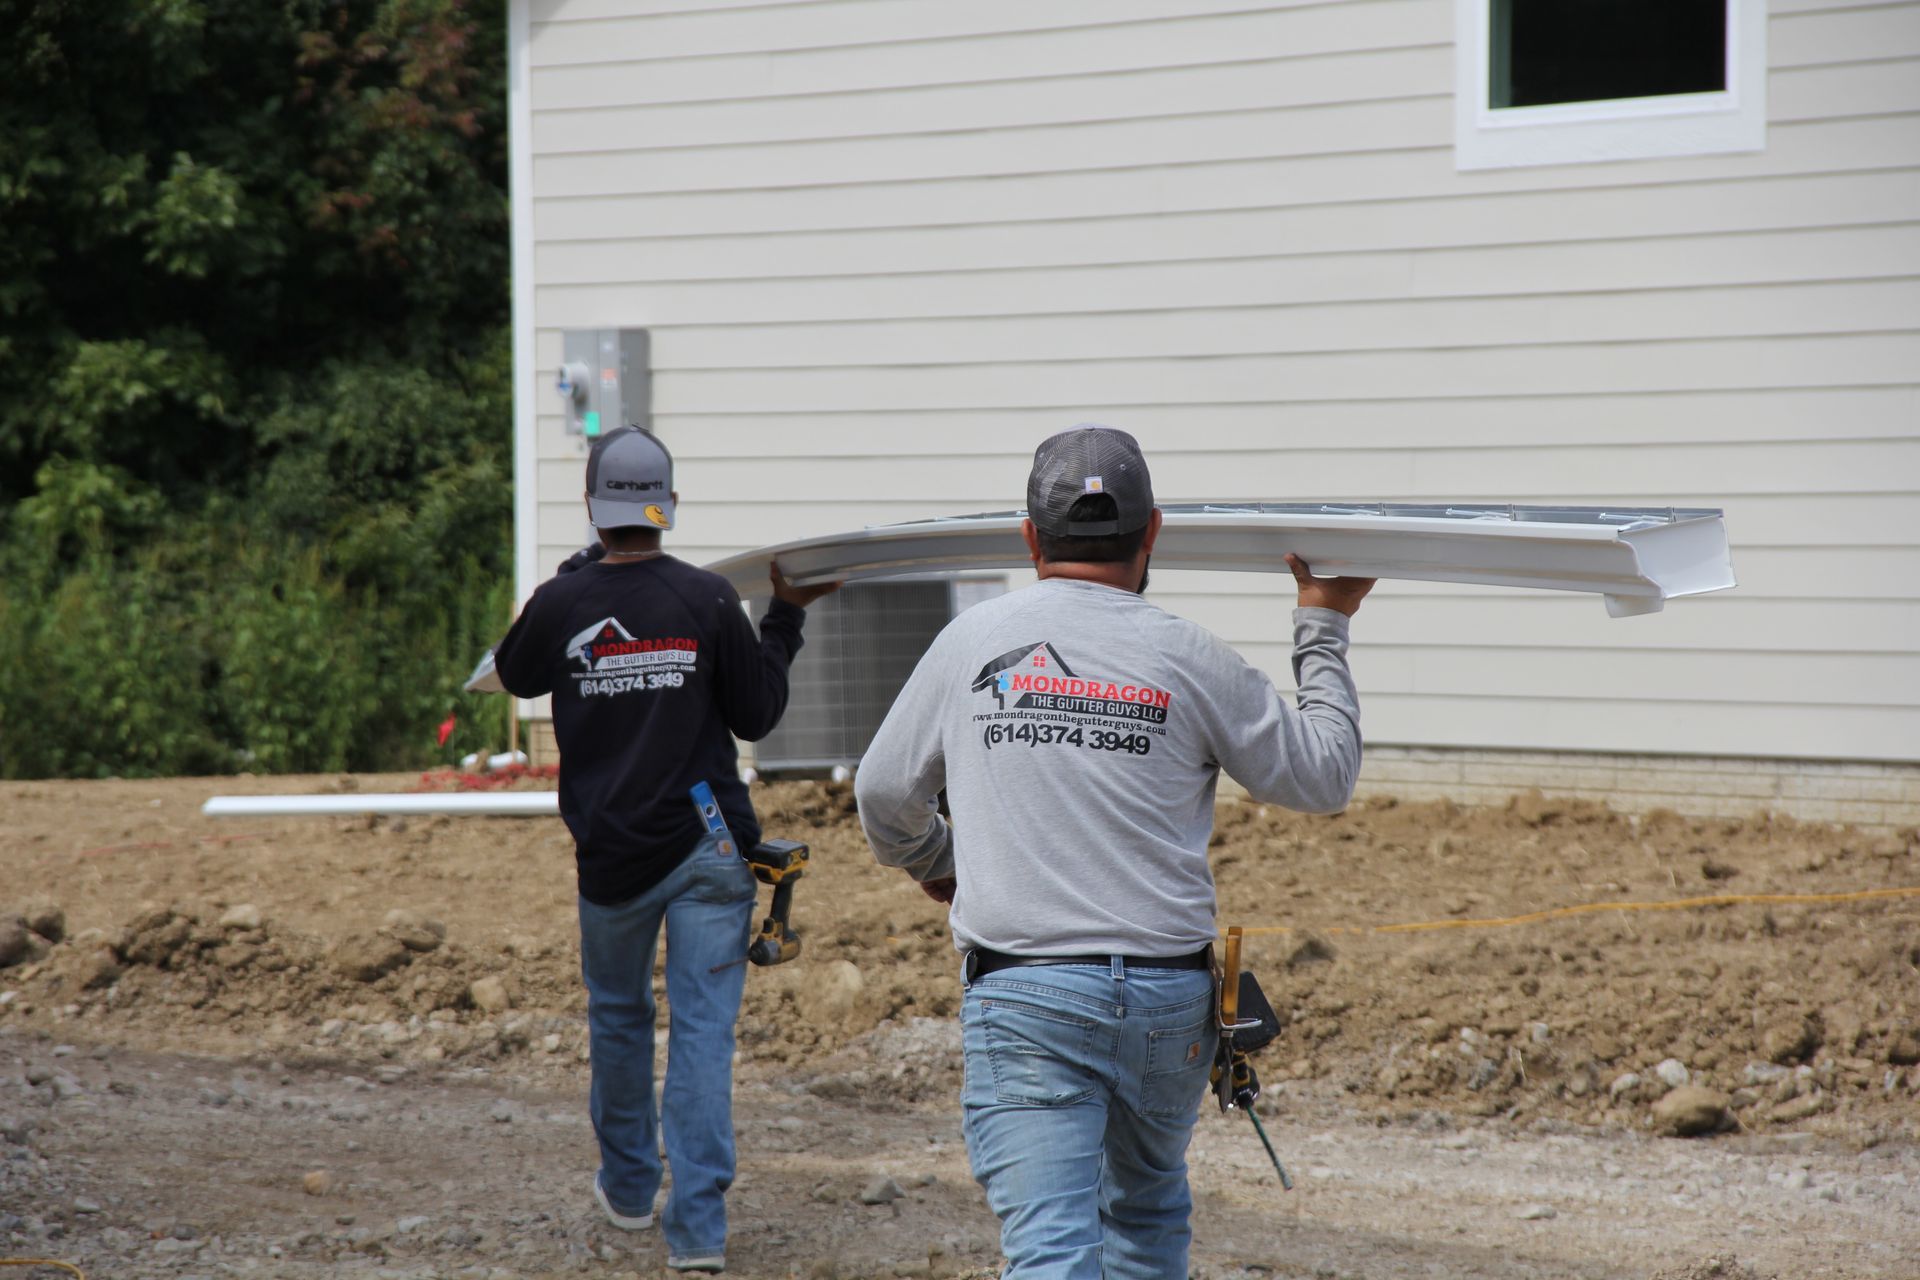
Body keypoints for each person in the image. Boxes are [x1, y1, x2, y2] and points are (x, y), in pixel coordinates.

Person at [853, 424, 1372, 1279]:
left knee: (1053, 1251)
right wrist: (1323, 626)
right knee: (1144, 1219)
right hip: (1170, 1001)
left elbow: (880, 795)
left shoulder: (971, 644)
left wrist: (935, 859)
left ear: (1029, 537)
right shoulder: (1189, 655)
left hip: (1027, 993)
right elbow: (1323, 777)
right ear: (1153, 531)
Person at [491, 425, 837, 1273]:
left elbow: (512, 671)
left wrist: (570, 579)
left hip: (610, 856)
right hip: (707, 844)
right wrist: (783, 619)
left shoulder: (563, 604)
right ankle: (699, 1235)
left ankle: (629, 1186)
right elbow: (755, 717)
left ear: (592, 507)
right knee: (702, 1039)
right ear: (667, 506)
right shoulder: (710, 599)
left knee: (618, 1018)